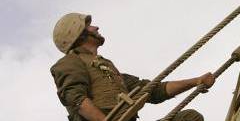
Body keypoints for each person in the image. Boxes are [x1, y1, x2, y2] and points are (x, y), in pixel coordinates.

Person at [51, 13, 215, 121]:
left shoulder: (109, 71)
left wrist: (196, 81)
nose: (96, 27)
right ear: (79, 33)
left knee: (189, 119)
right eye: (89, 26)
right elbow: (77, 100)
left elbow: (152, 90)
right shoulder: (70, 63)